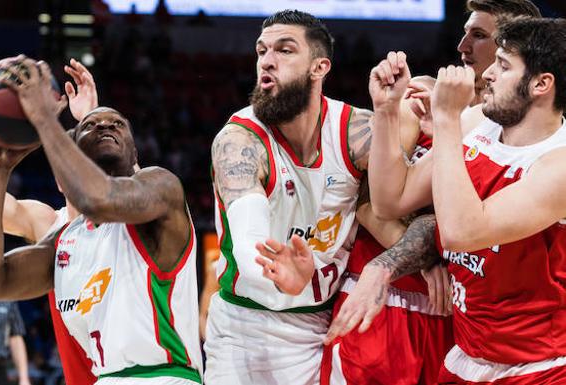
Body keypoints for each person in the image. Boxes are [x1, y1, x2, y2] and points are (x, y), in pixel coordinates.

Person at [205, 10, 436, 384]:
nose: (267, 60)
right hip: (243, 327)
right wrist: (276, 274)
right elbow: (248, 237)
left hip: (322, 325)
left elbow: (415, 213)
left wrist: (392, 110)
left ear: (319, 67)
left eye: (284, 50)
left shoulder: (355, 132)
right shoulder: (240, 140)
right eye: (262, 50)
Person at [320, 1, 542, 384]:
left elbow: (477, 223)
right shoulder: (422, 93)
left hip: (461, 320)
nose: (462, 46)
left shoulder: (524, 134)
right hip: (385, 302)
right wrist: (422, 260)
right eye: (465, 32)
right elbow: (369, 202)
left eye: (479, 35)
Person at [0, 57, 203, 384]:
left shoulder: (161, 188)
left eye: (118, 124)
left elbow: (97, 199)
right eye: (92, 126)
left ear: (136, 156)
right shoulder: (66, 240)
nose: (106, 125)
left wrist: (43, 119)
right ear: (72, 155)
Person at [368, 17, 566, 384]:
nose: (488, 74)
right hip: (467, 353)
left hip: (539, 368)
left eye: (504, 65)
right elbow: (389, 200)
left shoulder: (560, 164)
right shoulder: (480, 123)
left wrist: (445, 117)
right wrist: (385, 111)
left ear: (541, 83)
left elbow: (461, 231)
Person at [0, 58, 99, 385]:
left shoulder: (124, 221)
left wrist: (91, 116)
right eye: (70, 158)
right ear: (58, 179)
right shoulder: (49, 223)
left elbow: (127, 178)